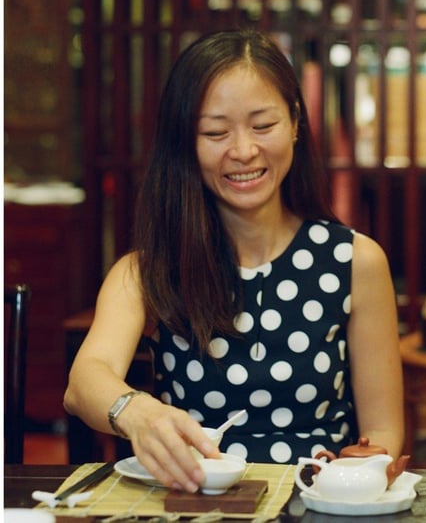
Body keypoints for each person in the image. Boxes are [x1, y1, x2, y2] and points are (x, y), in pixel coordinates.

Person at [65, 29, 404, 492]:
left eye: (263, 126)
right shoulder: (148, 269)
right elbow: (84, 382)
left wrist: (357, 468)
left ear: (296, 123)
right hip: (196, 501)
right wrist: (137, 412)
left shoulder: (354, 261)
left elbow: (383, 430)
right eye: (215, 132)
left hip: (318, 503)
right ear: (186, 141)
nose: (243, 151)